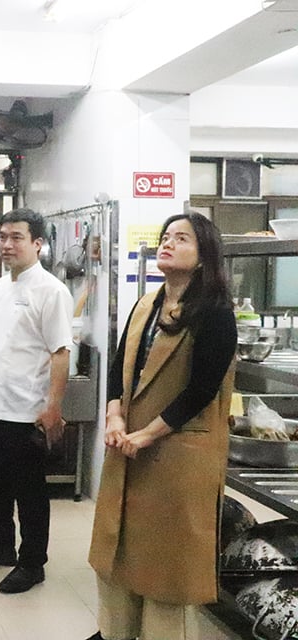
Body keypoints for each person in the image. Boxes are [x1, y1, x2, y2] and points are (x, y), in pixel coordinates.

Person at [86, 212, 236, 640]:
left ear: (205, 255)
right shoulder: (145, 305)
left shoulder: (215, 313)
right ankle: (114, 633)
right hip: (128, 445)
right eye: (166, 237)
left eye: (182, 239)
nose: (167, 244)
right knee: (118, 550)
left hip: (178, 456)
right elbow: (119, 370)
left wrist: (147, 434)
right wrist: (115, 416)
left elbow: (201, 390)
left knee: (165, 568)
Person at [0, 207, 73, 594]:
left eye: (16, 237)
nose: (7, 244)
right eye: (3, 236)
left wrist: (53, 407)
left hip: (26, 410)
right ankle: (0, 545)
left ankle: (32, 562)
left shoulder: (52, 290)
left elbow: (60, 352)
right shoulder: (0, 286)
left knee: (30, 491)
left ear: (38, 244)